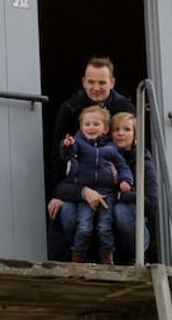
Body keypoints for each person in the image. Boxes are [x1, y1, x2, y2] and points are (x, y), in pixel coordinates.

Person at [50, 111, 158, 265]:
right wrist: (83, 192)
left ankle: (131, 257)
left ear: (135, 135)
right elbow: (64, 186)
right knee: (68, 210)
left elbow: (151, 203)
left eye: (127, 129)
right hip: (95, 218)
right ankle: (86, 254)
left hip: (124, 224)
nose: (121, 133)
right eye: (116, 129)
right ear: (108, 133)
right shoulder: (93, 154)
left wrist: (119, 194)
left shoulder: (143, 162)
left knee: (121, 211)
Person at [57, 106, 133, 264]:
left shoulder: (111, 148)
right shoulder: (78, 144)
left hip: (107, 194)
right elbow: (67, 155)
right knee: (84, 226)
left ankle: (107, 256)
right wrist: (67, 145)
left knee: (105, 226)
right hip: (86, 195)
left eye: (96, 124)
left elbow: (123, 166)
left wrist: (126, 181)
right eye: (87, 124)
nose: (91, 127)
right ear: (81, 127)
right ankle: (78, 255)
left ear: (105, 129)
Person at [49, 57, 135, 187]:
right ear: (83, 82)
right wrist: (60, 193)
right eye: (91, 82)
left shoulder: (126, 109)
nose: (96, 88)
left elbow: (136, 150)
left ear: (112, 83)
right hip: (78, 184)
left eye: (102, 83)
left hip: (117, 185)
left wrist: (126, 183)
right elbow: (58, 154)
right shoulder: (69, 109)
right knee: (67, 209)